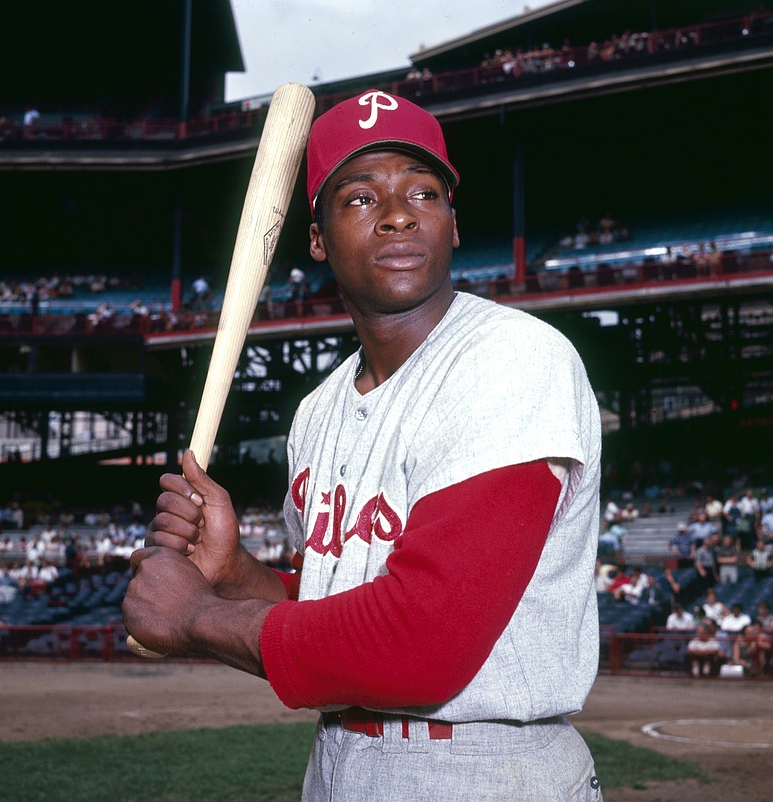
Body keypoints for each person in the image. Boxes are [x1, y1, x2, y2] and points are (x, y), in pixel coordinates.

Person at [123, 89, 604, 800]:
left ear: (452, 222)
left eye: (424, 192)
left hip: (486, 768)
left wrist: (197, 617)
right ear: (315, 238)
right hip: (338, 759)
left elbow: (421, 644)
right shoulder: (317, 414)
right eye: (358, 197)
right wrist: (232, 572)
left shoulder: (511, 358)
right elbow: (338, 612)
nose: (399, 212)